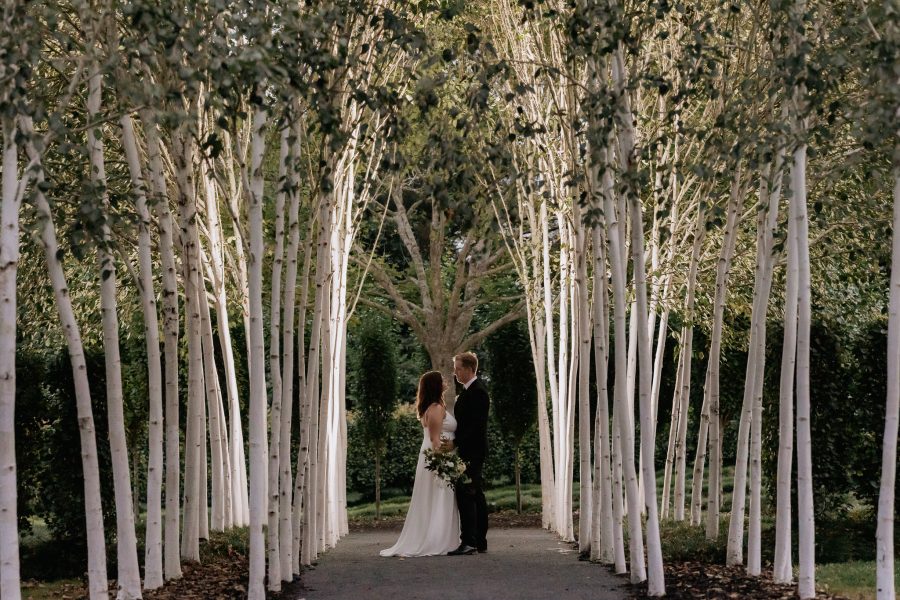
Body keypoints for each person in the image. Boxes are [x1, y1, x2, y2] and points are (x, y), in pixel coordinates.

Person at [380, 371, 460, 557]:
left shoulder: (431, 407)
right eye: (442, 380)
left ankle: (439, 538)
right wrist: (443, 461)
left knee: (433, 498)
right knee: (439, 498)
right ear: (435, 386)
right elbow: (434, 439)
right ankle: (438, 540)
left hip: (431, 457)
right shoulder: (436, 408)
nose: (446, 382)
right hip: (437, 458)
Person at [444, 351, 489, 556]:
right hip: (470, 450)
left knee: (467, 494)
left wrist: (455, 443)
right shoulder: (469, 390)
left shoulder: (478, 392)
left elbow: (475, 426)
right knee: (476, 494)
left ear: (470, 369)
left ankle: (469, 541)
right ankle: (479, 540)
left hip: (473, 451)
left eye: (458, 368)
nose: (455, 372)